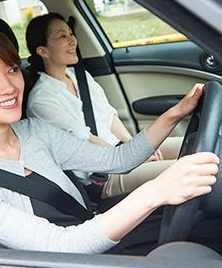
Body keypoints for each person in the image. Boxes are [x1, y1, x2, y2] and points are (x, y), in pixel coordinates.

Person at [0, 25, 219, 254]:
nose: (9, 86)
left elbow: (118, 159)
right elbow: (62, 246)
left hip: (96, 235)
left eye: (12, 69)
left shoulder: (35, 131)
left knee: (211, 228)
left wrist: (176, 113)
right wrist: (154, 192)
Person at [25, 13, 182, 198]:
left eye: (70, 33)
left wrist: (135, 148)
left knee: (192, 145)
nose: (72, 41)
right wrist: (132, 157)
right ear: (43, 51)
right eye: (62, 36)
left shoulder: (79, 77)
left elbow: (109, 116)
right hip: (102, 175)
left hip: (121, 153)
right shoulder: (41, 100)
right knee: (183, 170)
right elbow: (85, 139)